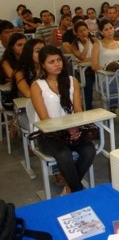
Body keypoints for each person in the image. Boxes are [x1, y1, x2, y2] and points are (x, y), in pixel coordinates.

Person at [31, 45, 95, 195]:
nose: (57, 64)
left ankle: (69, 187)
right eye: (51, 62)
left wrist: (76, 128)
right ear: (43, 65)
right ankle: (78, 192)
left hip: (72, 129)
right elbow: (45, 119)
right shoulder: (38, 86)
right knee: (63, 153)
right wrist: (67, 129)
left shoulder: (72, 81)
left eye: (59, 60)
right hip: (49, 133)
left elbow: (78, 111)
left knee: (89, 150)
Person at [64, 21, 96, 110]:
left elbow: (98, 57)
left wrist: (88, 59)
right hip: (81, 71)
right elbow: (81, 57)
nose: (83, 33)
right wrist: (86, 44)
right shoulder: (74, 45)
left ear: (88, 30)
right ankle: (88, 107)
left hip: (94, 68)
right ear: (76, 33)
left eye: (85, 30)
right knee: (88, 84)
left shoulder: (95, 41)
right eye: (80, 31)